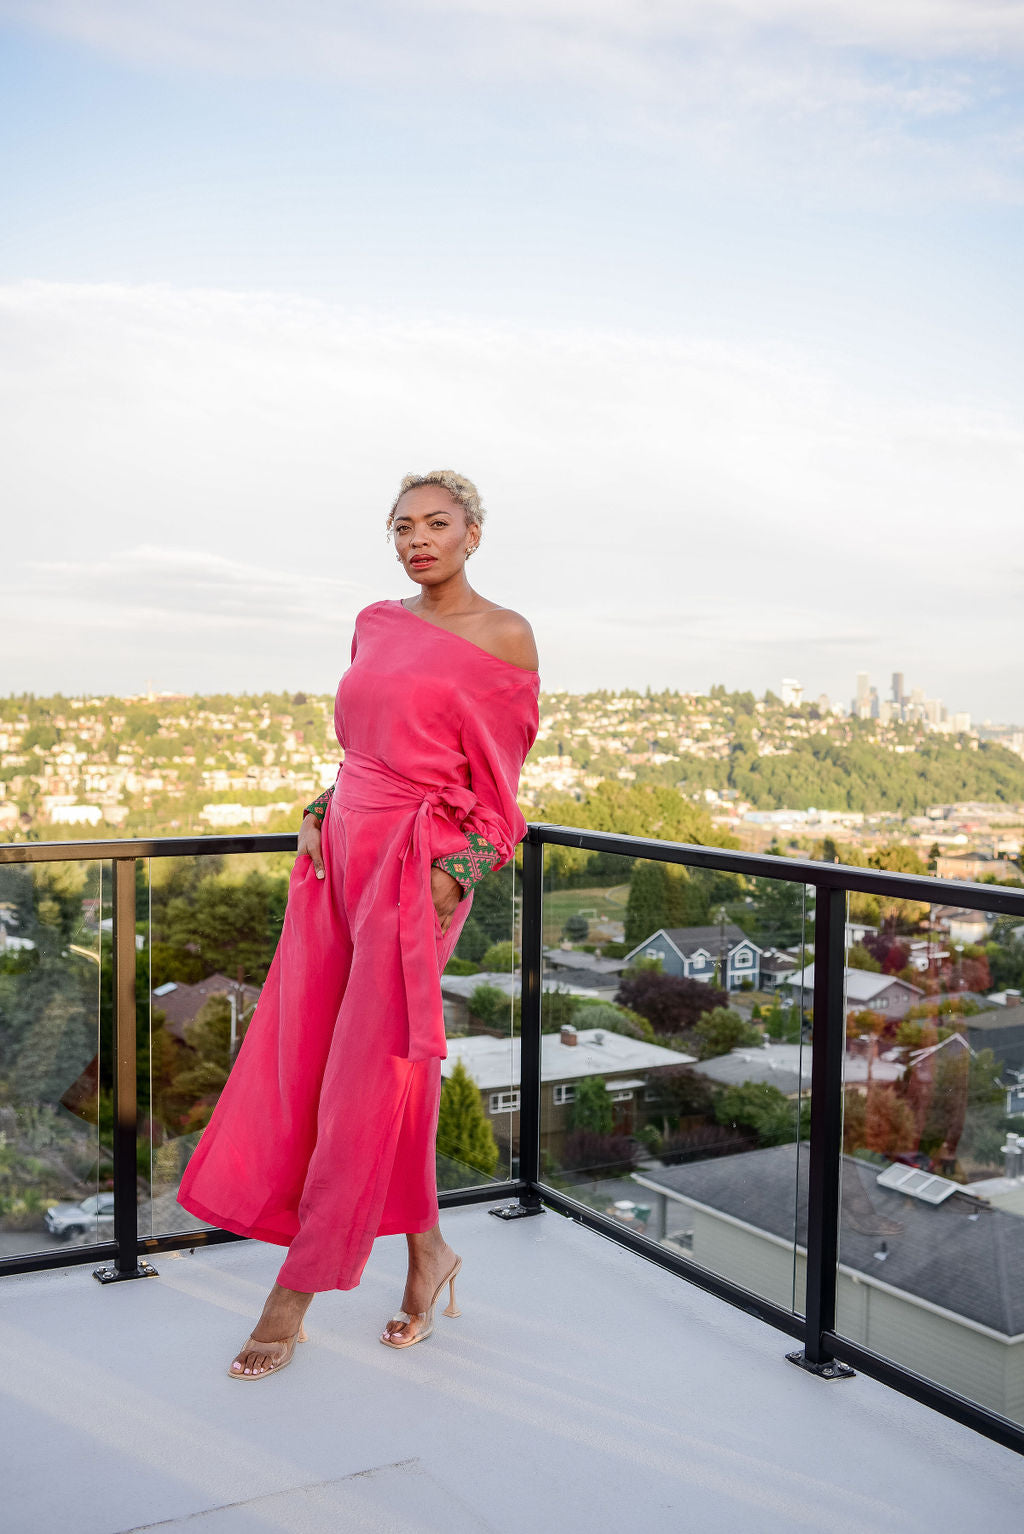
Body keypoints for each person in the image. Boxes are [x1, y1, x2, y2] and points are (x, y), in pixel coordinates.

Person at [176, 469, 540, 1378]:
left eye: (438, 524)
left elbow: (501, 791)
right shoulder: (376, 620)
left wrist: (458, 874)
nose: (419, 540)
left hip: (419, 874)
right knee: (327, 1060)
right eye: (403, 527)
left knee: (368, 1076)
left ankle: (289, 1298)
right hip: (338, 858)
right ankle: (426, 1257)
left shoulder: (504, 635)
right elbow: (363, 742)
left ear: (473, 534)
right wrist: (321, 804)